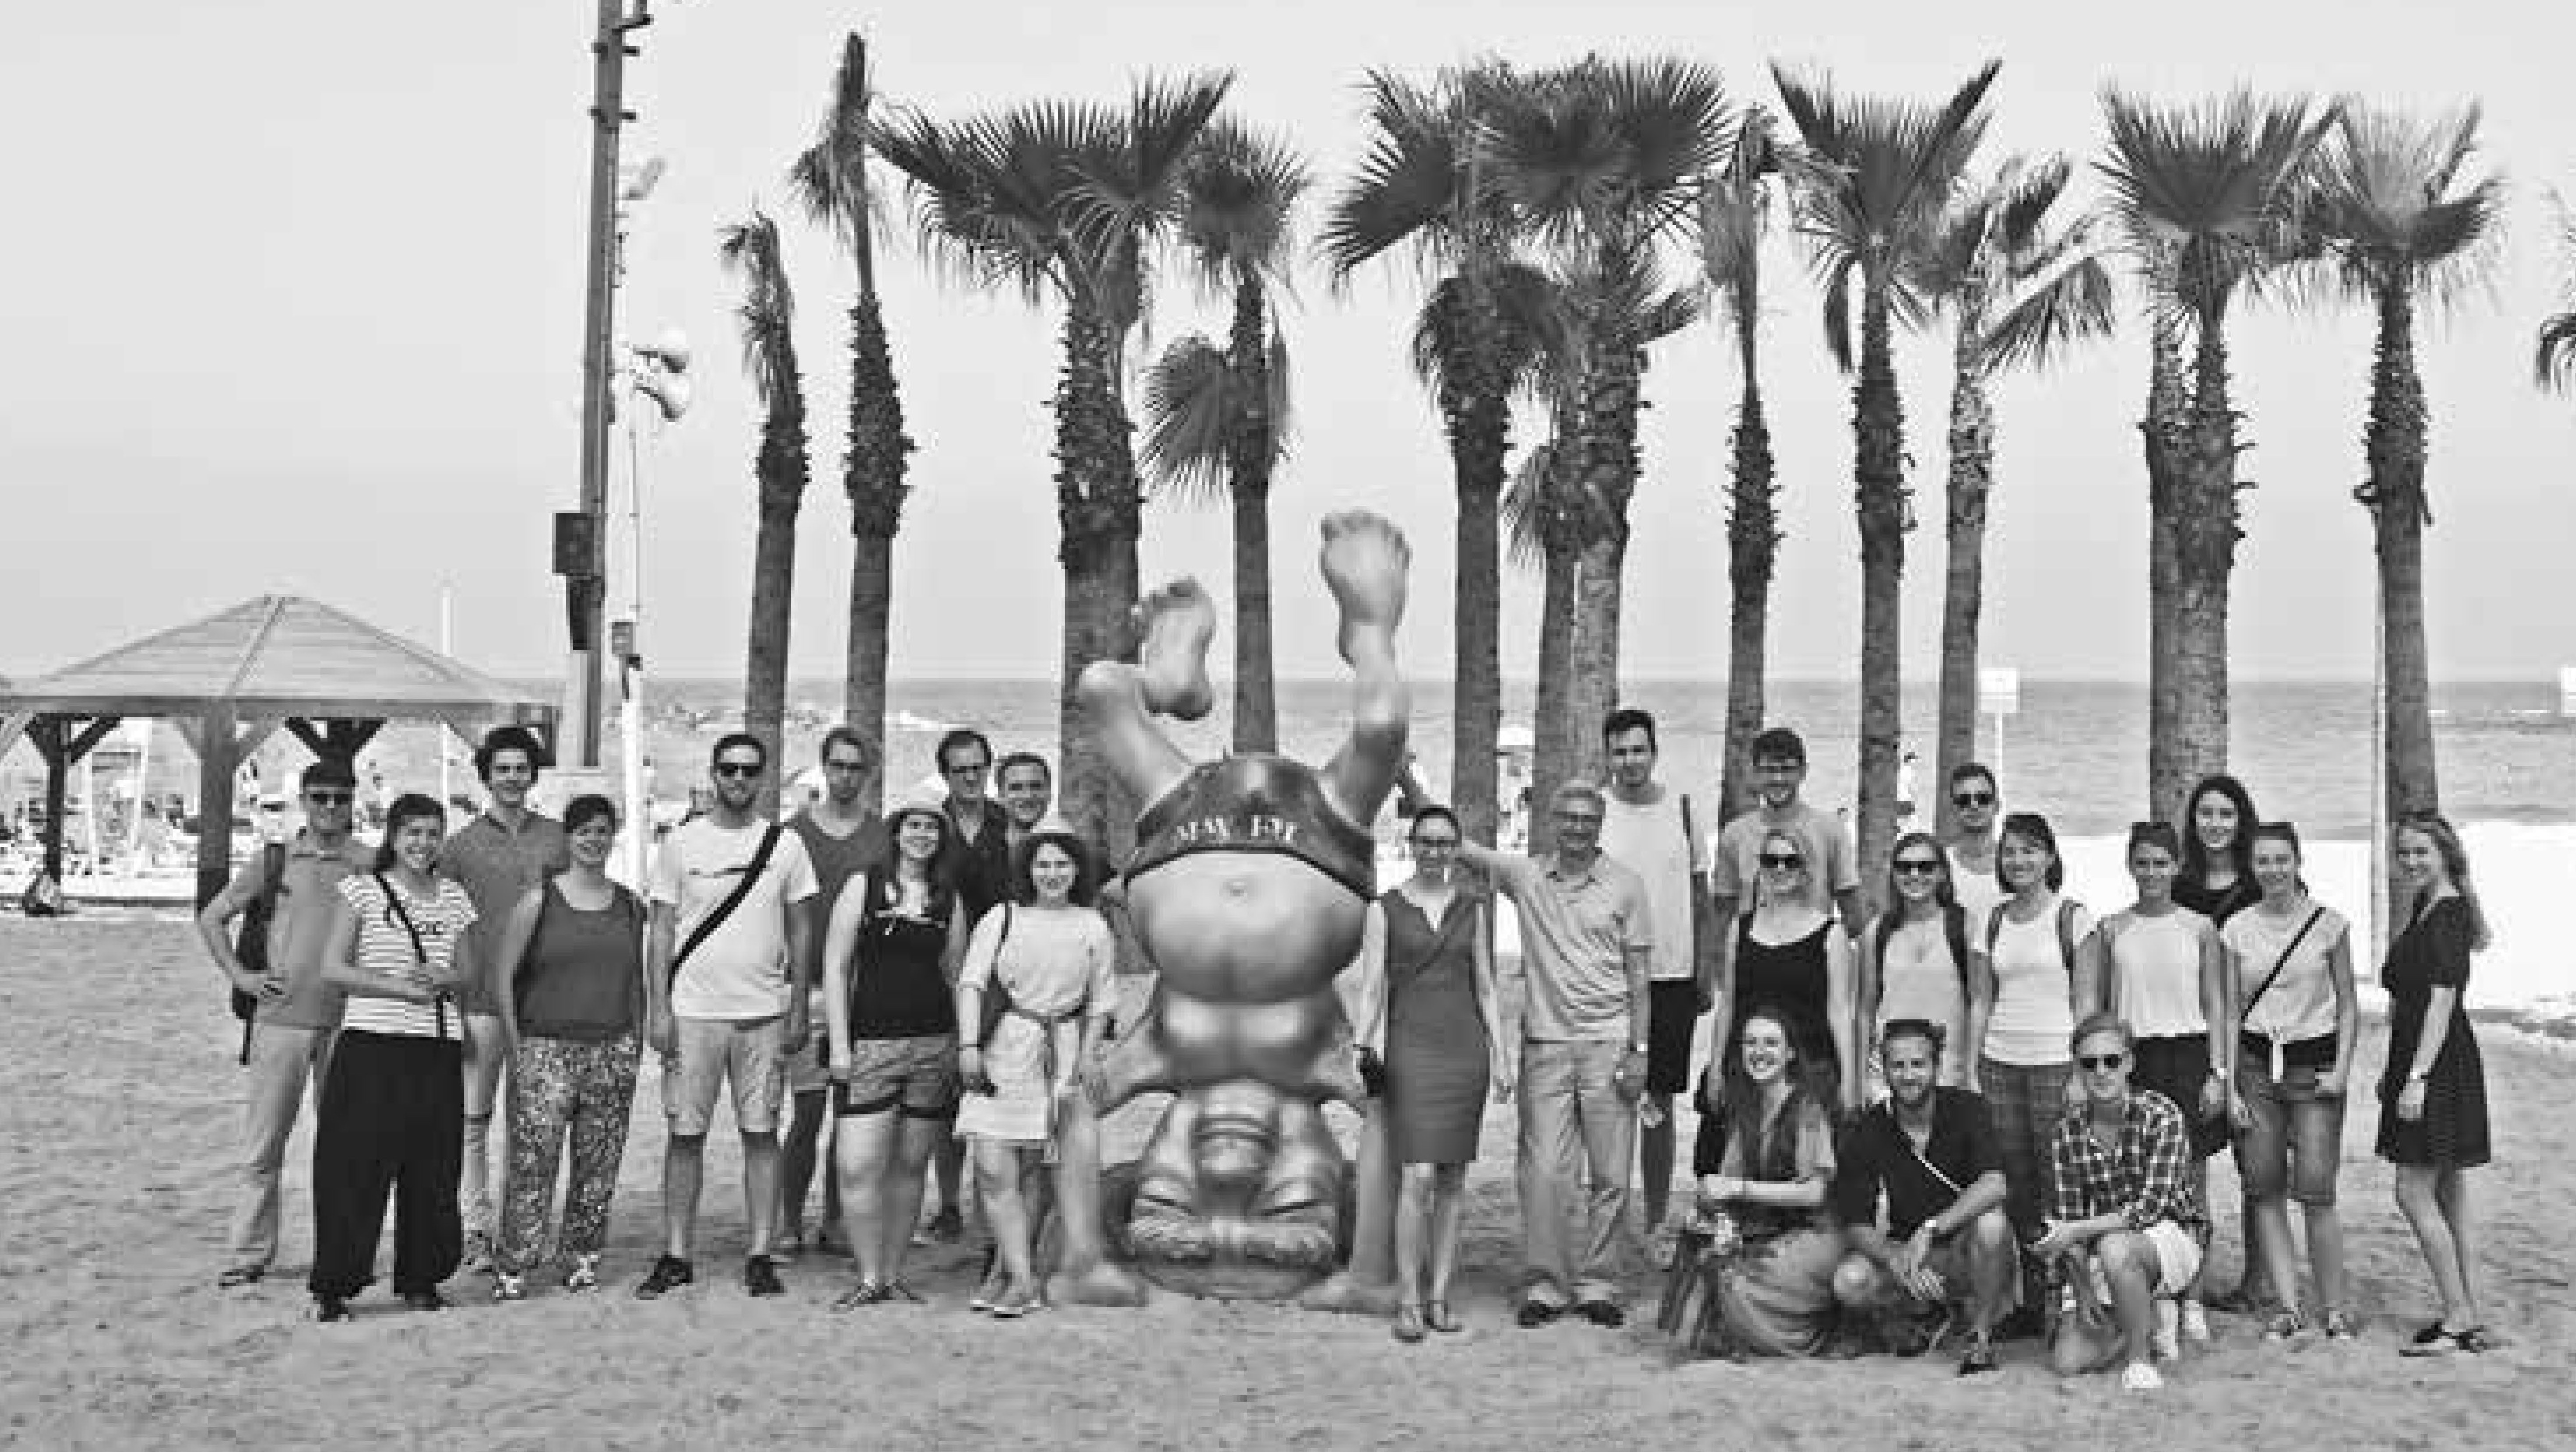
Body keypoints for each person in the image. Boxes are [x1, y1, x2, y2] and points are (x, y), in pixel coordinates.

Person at [1058, 512, 1410, 1309]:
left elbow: (1079, 1106)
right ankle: (1371, 624)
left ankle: (1173, 675)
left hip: (1184, 822)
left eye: (1168, 1197)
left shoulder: (1161, 1056)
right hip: (1317, 831)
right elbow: (1384, 1120)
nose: (1232, 1178)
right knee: (1383, 724)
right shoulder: (1321, 1062)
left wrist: (1085, 1251)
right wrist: (1369, 1272)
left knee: (1104, 689)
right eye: (1285, 1198)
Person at [1456, 780, 1652, 1329]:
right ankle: (1546, 1283)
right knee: (1542, 1172)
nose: (1577, 828)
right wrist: (1403, 779)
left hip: (1610, 1041)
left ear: (1600, 824)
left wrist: (1640, 1051)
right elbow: (1462, 845)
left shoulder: (1626, 886)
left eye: (1587, 819)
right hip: (1546, 1045)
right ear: (1552, 821)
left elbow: (1641, 978)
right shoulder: (1525, 877)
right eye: (1568, 818)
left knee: (1611, 1174)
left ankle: (1599, 1283)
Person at [636, 733, 818, 1301]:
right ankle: (676, 1253)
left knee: (761, 1134)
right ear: (713, 774)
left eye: (749, 771)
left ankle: (760, 1252)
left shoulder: (784, 846)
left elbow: (801, 929)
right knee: (684, 1135)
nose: (739, 779)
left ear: (762, 779)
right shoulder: (680, 844)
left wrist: (796, 1008)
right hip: (692, 1015)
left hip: (763, 1014)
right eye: (730, 770)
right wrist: (658, 1008)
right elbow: (661, 929)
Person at [307, 793, 481, 1321]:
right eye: (413, 832)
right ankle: (335, 1283)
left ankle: (421, 1276)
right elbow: (334, 967)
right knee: (354, 1167)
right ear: (393, 835)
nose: (422, 844)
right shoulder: (361, 889)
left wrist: (445, 977)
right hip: (372, 1042)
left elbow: (469, 969)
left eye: (432, 833)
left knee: (432, 1167)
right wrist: (395, 988)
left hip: (435, 1043)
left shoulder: (454, 896)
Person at [195, 758, 367, 1289]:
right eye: (320, 797)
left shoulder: (370, 863)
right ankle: (248, 1253)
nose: (331, 807)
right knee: (264, 1143)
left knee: (343, 1147)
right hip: (280, 1020)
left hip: (350, 1020)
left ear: (353, 800)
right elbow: (211, 917)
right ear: (304, 800)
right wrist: (242, 976)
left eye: (340, 797)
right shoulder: (275, 860)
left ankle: (338, 1254)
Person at [1354, 805, 1510, 1342]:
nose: (1435, 851)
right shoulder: (1385, 909)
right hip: (1411, 1048)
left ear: (1457, 847)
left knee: (1452, 1179)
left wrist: (1502, 1056)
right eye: (1425, 841)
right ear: (1411, 843)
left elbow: (1487, 986)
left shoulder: (1475, 909)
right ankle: (1409, 1298)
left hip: (1465, 1050)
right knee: (1417, 1175)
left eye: (1445, 842)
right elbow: (1373, 985)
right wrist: (1363, 1042)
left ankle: (1441, 1294)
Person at [953, 818, 1116, 1318]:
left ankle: (1011, 1271)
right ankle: (1022, 1277)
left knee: (1032, 1170)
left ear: (1076, 869)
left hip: (1062, 1050)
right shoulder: (1002, 918)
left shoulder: (1093, 925)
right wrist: (968, 1045)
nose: (1052, 872)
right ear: (1028, 868)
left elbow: (1101, 1001)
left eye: (1062, 863)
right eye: (1043, 863)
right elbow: (971, 983)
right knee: (991, 1164)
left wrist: (1088, 1055)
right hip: (1007, 1045)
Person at [487, 794, 645, 1301]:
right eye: (584, 831)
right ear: (569, 838)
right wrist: (517, 1047)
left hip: (611, 1048)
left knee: (599, 1162)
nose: (593, 840)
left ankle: (582, 1254)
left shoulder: (629, 904)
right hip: (546, 1048)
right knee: (533, 1162)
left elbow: (636, 979)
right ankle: (515, 1260)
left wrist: (635, 1041)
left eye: (602, 830)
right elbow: (503, 977)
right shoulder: (539, 900)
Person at [824, 792, 969, 1307]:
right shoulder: (863, 886)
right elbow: (837, 967)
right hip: (870, 1044)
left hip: (933, 1045)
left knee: (911, 1165)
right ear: (897, 830)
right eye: (914, 825)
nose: (922, 835)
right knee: (859, 1165)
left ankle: (891, 1271)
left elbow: (957, 976)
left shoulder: (947, 898)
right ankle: (868, 1274)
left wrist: (962, 1045)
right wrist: (840, 1045)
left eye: (932, 827)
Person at [436, 725, 571, 1274]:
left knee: (533, 1121)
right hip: (480, 1002)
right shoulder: (460, 846)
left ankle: (524, 1224)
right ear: (487, 776)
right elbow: (444, 925)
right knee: (473, 1120)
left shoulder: (558, 839)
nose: (513, 778)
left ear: (532, 774)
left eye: (521, 768)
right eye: (503, 769)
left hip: (542, 1003)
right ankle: (474, 1226)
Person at [2221, 821, 2359, 1342]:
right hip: (2256, 1066)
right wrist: (2231, 1083)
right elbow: (2232, 1011)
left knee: (2318, 1190)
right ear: (2251, 867)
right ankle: (2286, 1305)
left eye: (2282, 859)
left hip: (2315, 1065)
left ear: (2298, 860)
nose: (2273, 869)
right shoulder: (2237, 928)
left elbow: (2348, 1004)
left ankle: (2335, 1309)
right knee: (2264, 1187)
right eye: (2263, 861)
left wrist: (2343, 1068)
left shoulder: (2330, 924)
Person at [1966, 811, 2103, 1327]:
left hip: (2055, 1063)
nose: (2019, 859)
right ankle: (2030, 1301)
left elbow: (2087, 999)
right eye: (2010, 851)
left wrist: (2080, 1072)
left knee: (2062, 1186)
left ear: (2050, 856)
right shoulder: (1993, 920)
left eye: (2030, 849)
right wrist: (1972, 1066)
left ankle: (2069, 1298)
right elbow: (1981, 999)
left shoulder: (2073, 917)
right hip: (2001, 1063)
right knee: (2016, 1185)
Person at [2098, 821, 2229, 1343]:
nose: (2152, 872)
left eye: (2161, 863)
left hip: (2190, 1053)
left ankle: (2193, 1297)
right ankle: (2156, 1301)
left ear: (2177, 867)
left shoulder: (2199, 927)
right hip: (2137, 1058)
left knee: (2191, 1188)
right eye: (2143, 862)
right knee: (2138, 1186)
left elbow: (2217, 1004)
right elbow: (2109, 1006)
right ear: (2130, 865)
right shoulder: (2113, 928)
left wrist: (2219, 1071)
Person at [2035, 1013, 2211, 1393]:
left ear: (2129, 1062)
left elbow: (2147, 1210)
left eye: (2111, 1060)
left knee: (2117, 1248)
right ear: (2077, 1069)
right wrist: (2081, 1290)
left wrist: (2078, 1231)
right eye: (2089, 1063)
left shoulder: (2162, 1115)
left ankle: (2140, 1361)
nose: (2101, 1071)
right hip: (2100, 1249)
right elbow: (2068, 1216)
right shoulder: (2066, 1132)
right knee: (2068, 1361)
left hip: (2170, 1236)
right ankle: (2149, 1314)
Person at [1831, 1019, 2017, 1374]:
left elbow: (1995, 1183)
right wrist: (1896, 1257)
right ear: (1883, 1069)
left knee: (1991, 1223)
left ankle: (1980, 1336)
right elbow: (1856, 1221)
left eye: (1918, 1064)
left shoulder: (1969, 1108)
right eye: (1897, 1066)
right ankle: (1923, 1316)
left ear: (1936, 1066)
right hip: (1912, 1254)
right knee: (1849, 1282)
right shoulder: (1869, 1128)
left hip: (1969, 1247)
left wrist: (1931, 1228)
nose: (1908, 1076)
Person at [1594, 706, 1713, 1263]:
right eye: (1620, 751)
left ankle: (1659, 1218)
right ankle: (1606, 1217)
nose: (1630, 760)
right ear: (1608, 756)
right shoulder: (1597, 810)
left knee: (1660, 1100)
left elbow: (1700, 893)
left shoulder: (1682, 808)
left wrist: (1705, 968)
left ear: (1655, 751)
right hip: (1607, 977)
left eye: (1639, 749)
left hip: (1671, 973)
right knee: (1606, 1098)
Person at [2376, 811, 2496, 1355]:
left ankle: (2458, 1315)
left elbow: (2442, 1000)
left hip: (2439, 1064)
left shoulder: (2445, 913)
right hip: (2434, 1058)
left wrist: (2417, 1077)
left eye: (2421, 851)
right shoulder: (2433, 904)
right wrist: (2394, 1071)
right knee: (2449, 1192)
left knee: (2413, 1189)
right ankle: (2470, 1311)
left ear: (2444, 851)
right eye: (2404, 852)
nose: (2410, 861)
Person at [1679, 1005, 1847, 1358]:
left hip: (1817, 1233)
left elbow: (1814, 1192)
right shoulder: (1747, 1107)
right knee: (1699, 1251)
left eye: (1771, 1043)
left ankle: (1812, 1336)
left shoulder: (1808, 1108)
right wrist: (1714, 1208)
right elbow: (1728, 1179)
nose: (1759, 1052)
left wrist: (1741, 1190)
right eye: (1750, 1043)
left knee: (1736, 1286)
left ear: (1789, 1054)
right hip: (1769, 1226)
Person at [780, 726, 888, 1259]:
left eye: (856, 767)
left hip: (865, 994)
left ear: (869, 773)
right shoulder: (792, 834)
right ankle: (787, 1220)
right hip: (809, 990)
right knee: (806, 1113)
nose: (846, 776)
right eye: (838, 765)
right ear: (824, 767)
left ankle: (838, 1220)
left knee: (853, 1118)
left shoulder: (881, 836)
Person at [928, 727, 1007, 1245]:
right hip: (944, 978)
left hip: (1008, 979)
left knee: (1004, 1093)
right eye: (961, 768)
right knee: (946, 1098)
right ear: (946, 775)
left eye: (979, 765)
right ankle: (951, 1202)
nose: (972, 775)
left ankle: (999, 1206)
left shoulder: (1010, 823)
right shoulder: (931, 828)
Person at [1709, 727, 1867, 970]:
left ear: (1803, 772)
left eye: (1787, 770)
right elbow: (1723, 915)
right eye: (1769, 770)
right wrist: (1718, 977)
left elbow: (1853, 913)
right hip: (1751, 961)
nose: (1778, 779)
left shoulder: (1830, 831)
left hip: (1813, 960)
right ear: (1754, 773)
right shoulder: (1735, 835)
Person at [1856, 831, 1983, 1090]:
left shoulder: (1964, 928)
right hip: (1887, 1078)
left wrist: (1971, 1074)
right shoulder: (1876, 932)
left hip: (1948, 1076)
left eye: (1925, 867)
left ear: (1942, 874)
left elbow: (1978, 1003)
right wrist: (1859, 1079)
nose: (1915, 875)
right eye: (1904, 867)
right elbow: (1866, 1011)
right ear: (1893, 874)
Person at [2173, 773, 2262, 927]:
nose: (2215, 825)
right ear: (2193, 820)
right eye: (2206, 814)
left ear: (2242, 821)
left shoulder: (2265, 881)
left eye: (2227, 815)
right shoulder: (2176, 886)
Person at [1942, 762, 2005, 934]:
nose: (1974, 806)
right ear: (1954, 809)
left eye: (1983, 799)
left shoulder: (2017, 865)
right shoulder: (1939, 866)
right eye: (1964, 801)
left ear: (1997, 806)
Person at [995, 752, 1055, 855]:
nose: (1027, 796)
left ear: (1049, 792)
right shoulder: (982, 855)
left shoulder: (1064, 852)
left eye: (1036, 787)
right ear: (1001, 795)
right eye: (1016, 788)